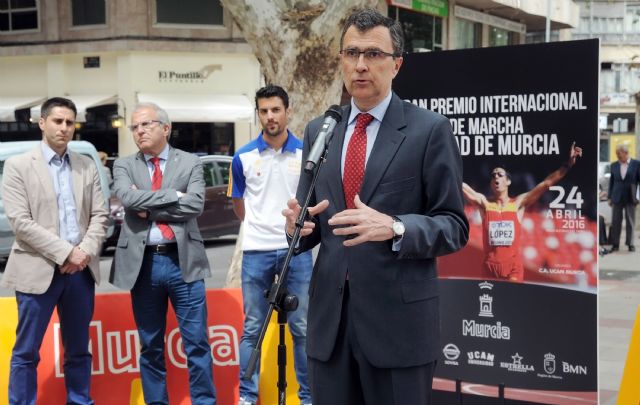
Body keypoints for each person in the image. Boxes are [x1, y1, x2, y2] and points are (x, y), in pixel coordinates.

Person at [282, 9, 469, 404]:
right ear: (340, 60)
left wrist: (396, 227)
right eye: (351, 53)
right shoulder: (322, 129)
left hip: (398, 327)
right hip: (330, 326)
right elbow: (309, 217)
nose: (360, 65)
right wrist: (296, 230)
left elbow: (454, 225)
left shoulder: (429, 130)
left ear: (396, 64)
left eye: (373, 54)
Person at [1, 97, 109, 404]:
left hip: (80, 273)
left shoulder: (86, 166)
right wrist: (66, 253)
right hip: (38, 270)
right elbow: (21, 223)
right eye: (58, 121)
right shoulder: (18, 166)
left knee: (78, 351)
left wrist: (82, 253)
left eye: (69, 122)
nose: (64, 128)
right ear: (42, 123)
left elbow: (100, 216)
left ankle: (79, 400)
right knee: (26, 352)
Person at [109, 102, 216, 404]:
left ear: (165, 128)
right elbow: (128, 199)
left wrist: (149, 208)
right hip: (144, 265)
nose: (138, 131)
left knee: (196, 343)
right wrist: (172, 197)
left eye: (146, 124)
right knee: (151, 345)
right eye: (134, 127)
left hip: (184, 263)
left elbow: (195, 205)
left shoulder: (190, 163)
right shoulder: (124, 165)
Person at [229, 85, 313, 405]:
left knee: (302, 328)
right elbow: (239, 205)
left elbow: (312, 200)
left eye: (275, 110)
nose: (270, 117)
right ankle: (247, 398)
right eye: (263, 111)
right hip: (256, 250)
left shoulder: (306, 153)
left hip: (298, 250)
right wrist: (257, 224)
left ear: (287, 111)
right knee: (252, 328)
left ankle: (307, 398)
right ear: (258, 114)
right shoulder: (243, 156)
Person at [462, 143, 583, 282]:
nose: (496, 177)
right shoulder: (484, 204)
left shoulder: (518, 204)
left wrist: (567, 165)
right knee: (491, 302)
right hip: (489, 267)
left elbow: (546, 183)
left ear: (508, 181)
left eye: (500, 175)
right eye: (493, 175)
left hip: (513, 267)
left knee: (513, 302)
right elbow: (462, 186)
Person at [608, 144, 640, 252]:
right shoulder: (613, 165)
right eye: (616, 154)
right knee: (616, 221)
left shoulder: (636, 164)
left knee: (630, 221)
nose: (617, 156)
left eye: (619, 154)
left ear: (626, 153)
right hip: (616, 196)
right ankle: (615, 244)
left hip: (631, 196)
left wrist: (638, 197)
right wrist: (609, 197)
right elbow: (611, 182)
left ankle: (630, 244)